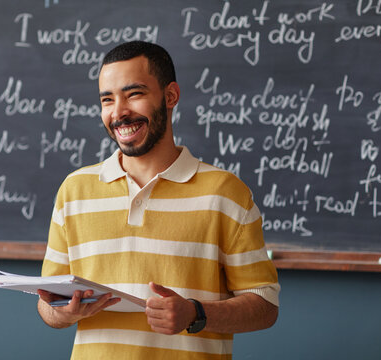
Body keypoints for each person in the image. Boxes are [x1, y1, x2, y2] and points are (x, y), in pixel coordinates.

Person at [37, 41, 280, 359]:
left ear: (170, 96)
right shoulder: (74, 190)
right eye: (107, 99)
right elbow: (48, 305)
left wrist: (195, 314)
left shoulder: (226, 193)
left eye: (133, 94)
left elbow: (265, 305)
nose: (119, 112)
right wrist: (64, 313)